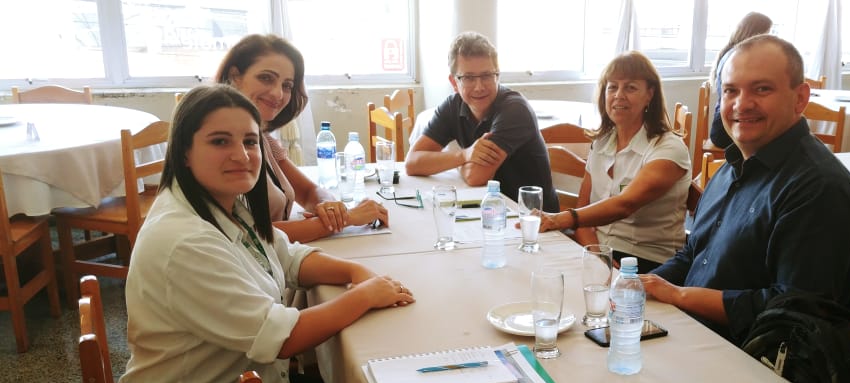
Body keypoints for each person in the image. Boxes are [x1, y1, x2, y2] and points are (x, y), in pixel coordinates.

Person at [117, 84, 414, 383]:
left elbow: (288, 256)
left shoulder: (223, 203)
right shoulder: (184, 240)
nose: (241, 155)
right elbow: (282, 338)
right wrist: (364, 295)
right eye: (220, 141)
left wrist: (356, 271)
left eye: (250, 141)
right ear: (184, 151)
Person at [641, 35, 850, 344]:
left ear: (800, 98)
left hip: (755, 362)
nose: (741, 104)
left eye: (762, 89)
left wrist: (680, 296)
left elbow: (795, 311)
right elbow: (694, 254)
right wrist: (641, 284)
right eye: (730, 90)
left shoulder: (819, 189)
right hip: (690, 334)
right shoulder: (730, 168)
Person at [217, 34, 388, 243]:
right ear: (235, 76)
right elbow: (248, 238)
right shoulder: (221, 147)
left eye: (287, 85)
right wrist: (346, 219)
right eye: (266, 78)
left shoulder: (263, 139)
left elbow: (308, 192)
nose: (278, 94)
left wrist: (330, 207)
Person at [532, 51, 691, 272]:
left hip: (647, 260)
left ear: (650, 94)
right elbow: (583, 209)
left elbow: (625, 205)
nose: (619, 95)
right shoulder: (602, 142)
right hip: (600, 249)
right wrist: (595, 250)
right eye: (612, 87)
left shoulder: (668, 148)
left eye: (631, 87)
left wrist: (559, 219)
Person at [404, 31, 559, 212]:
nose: (479, 87)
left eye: (486, 75)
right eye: (468, 78)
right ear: (454, 82)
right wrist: (463, 156)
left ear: (497, 76)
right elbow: (412, 163)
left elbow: (475, 176)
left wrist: (450, 162)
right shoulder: (453, 106)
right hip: (489, 209)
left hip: (532, 220)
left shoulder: (515, 110)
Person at [709, 12, 773, 151]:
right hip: (728, 132)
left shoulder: (730, 52)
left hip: (721, 127)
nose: (768, 40)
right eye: (767, 34)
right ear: (756, 34)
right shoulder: (741, 59)